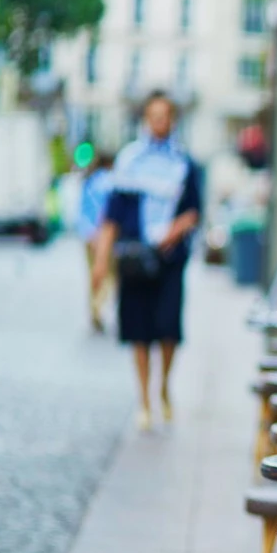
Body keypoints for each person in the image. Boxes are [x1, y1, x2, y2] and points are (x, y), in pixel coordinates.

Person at [91, 91, 202, 430]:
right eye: (152, 116)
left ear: (171, 120)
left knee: (167, 328)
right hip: (136, 257)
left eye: (163, 115)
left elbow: (193, 212)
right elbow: (112, 217)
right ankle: (144, 400)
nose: (158, 122)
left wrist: (171, 233)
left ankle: (164, 386)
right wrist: (100, 260)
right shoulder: (129, 162)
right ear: (145, 119)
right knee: (138, 330)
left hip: (168, 259)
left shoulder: (184, 164)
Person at [76, 152, 116, 332]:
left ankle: (95, 310)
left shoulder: (89, 182)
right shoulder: (110, 182)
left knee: (94, 275)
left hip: (89, 236)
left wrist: (89, 234)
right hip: (106, 237)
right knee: (108, 276)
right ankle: (99, 308)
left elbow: (82, 211)